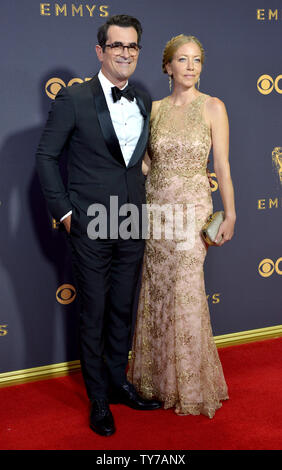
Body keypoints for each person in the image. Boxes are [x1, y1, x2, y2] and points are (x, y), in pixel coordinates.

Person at [36, 14, 162, 437]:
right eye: (116, 46)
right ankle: (98, 399)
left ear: (138, 53)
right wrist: (66, 213)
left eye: (132, 47)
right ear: (100, 51)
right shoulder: (74, 98)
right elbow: (46, 158)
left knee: (122, 309)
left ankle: (117, 382)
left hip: (131, 222)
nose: (124, 53)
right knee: (94, 312)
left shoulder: (143, 99)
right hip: (89, 224)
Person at [127, 34, 236, 418]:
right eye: (182, 60)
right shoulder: (152, 110)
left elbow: (221, 165)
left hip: (192, 212)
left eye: (196, 60)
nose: (190, 66)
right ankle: (155, 382)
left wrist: (231, 212)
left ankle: (190, 385)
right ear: (167, 66)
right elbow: (144, 164)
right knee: (157, 292)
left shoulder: (213, 107)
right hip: (157, 213)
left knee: (186, 292)